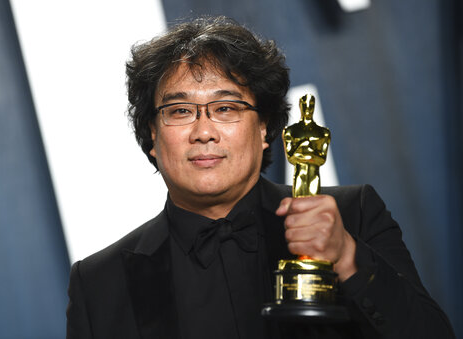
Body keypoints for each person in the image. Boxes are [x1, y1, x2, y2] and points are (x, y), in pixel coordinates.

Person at [66, 16, 454, 339]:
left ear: (266, 128)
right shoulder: (99, 282)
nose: (204, 131)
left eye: (225, 107)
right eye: (181, 111)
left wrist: (347, 257)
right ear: (152, 135)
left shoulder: (354, 214)